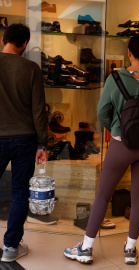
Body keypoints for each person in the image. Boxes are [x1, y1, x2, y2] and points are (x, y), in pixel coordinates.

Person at [64, 34, 139, 265]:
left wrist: (116, 126)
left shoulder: (115, 78)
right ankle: (130, 250)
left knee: (104, 194)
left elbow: (102, 112)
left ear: (129, 53)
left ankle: (85, 248)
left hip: (120, 145)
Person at [0, 23, 47, 262]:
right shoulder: (31, 68)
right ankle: (10, 247)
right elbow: (38, 110)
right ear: (24, 45)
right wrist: (42, 144)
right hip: (25, 140)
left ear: (2, 40)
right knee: (19, 193)